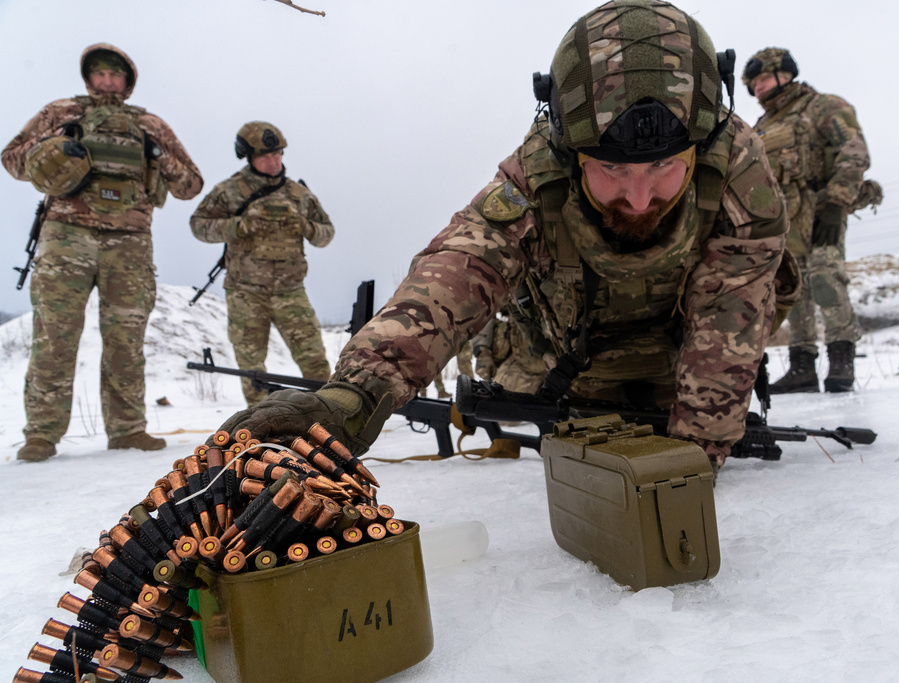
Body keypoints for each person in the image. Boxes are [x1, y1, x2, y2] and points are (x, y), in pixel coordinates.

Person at [215, 0, 788, 475]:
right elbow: (460, 269)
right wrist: (357, 394)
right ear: (569, 149)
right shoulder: (537, 173)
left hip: (685, 364)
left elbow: (728, 316)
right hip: (569, 370)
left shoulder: (738, 169)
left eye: (664, 169)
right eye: (612, 170)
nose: (639, 198)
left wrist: (691, 461)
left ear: (701, 145)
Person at [2, 43, 203, 462]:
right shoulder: (61, 113)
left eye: (116, 74)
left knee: (126, 341)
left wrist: (158, 154)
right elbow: (13, 160)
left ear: (128, 82)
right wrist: (54, 146)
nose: (108, 80)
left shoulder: (150, 124)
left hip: (128, 245)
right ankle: (41, 435)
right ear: (88, 77)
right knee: (53, 338)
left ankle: (128, 430)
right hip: (65, 239)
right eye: (100, 72)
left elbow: (190, 186)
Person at [743, 47, 870, 393]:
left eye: (764, 79)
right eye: (753, 84)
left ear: (786, 74)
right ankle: (802, 367)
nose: (758, 88)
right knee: (792, 290)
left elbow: (855, 151)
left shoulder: (823, 106)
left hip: (821, 207)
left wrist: (837, 202)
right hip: (782, 219)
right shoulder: (763, 126)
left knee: (827, 279)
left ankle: (842, 361)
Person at [190, 122, 334, 407]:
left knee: (315, 360)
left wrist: (304, 225)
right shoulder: (231, 191)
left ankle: (327, 417)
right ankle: (261, 424)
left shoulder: (298, 194)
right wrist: (237, 226)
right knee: (251, 369)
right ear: (249, 157)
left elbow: (326, 234)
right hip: (246, 293)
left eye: (277, 155)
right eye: (265, 156)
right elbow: (198, 225)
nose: (273, 161)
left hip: (291, 291)